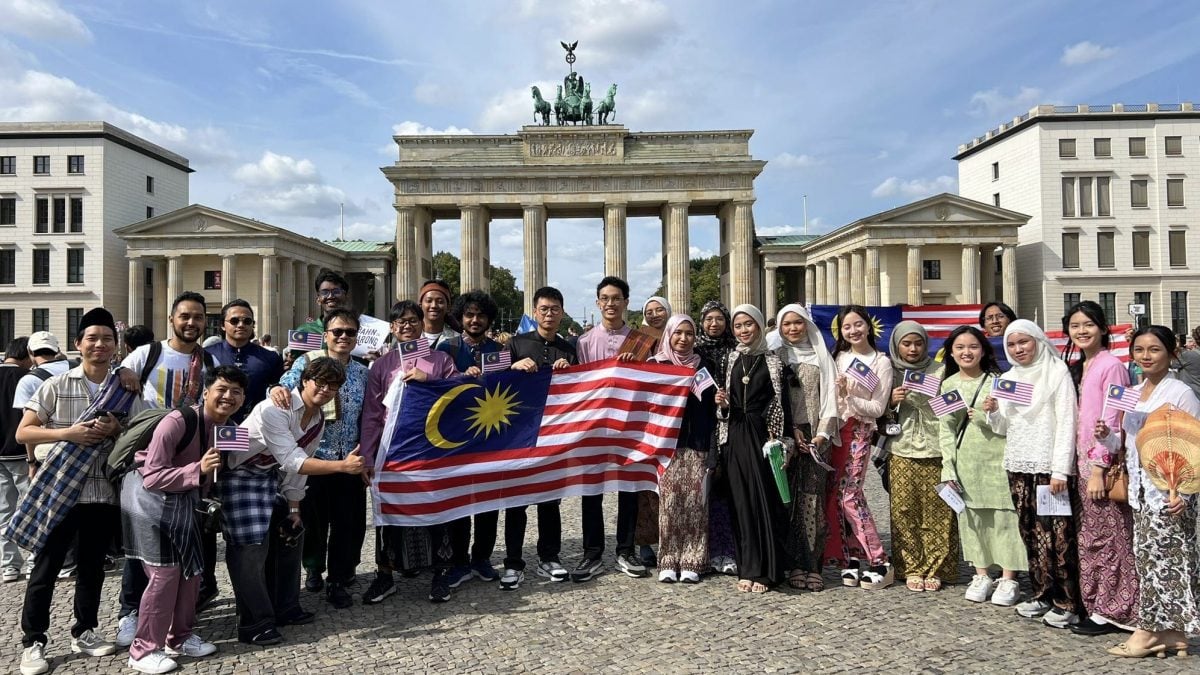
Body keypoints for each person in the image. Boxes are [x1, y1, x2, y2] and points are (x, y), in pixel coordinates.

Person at [10, 308, 144, 675]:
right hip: (60, 490)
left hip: (102, 491)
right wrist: (66, 433)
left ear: (116, 346)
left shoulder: (128, 388)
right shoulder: (56, 385)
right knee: (46, 566)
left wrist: (117, 428)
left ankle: (84, 630)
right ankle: (33, 641)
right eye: (92, 338)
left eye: (107, 339)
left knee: (92, 569)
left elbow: (140, 438)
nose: (99, 344)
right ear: (77, 344)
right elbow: (25, 432)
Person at [221, 357, 365, 646]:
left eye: (333, 385)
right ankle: (254, 623)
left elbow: (295, 470)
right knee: (251, 549)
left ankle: (286, 607)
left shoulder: (317, 418)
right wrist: (342, 467)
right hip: (239, 474)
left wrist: (295, 509)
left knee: (291, 537)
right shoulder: (274, 408)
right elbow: (293, 460)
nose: (325, 389)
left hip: (271, 476)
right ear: (305, 381)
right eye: (320, 382)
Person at [121, 366, 247, 673]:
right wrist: (198, 470)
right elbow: (151, 475)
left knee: (192, 572)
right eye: (222, 389)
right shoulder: (178, 421)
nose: (228, 397)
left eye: (236, 392)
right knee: (165, 574)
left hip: (185, 503)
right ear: (206, 392)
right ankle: (142, 651)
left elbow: (232, 467)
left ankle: (178, 638)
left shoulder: (230, 428)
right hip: (148, 502)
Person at [116, 291, 217, 647]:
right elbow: (121, 373)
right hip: (147, 463)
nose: (191, 323)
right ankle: (129, 615)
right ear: (171, 319)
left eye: (198, 317)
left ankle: (179, 627)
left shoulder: (207, 362)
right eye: (185, 316)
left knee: (181, 549)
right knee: (141, 547)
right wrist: (122, 370)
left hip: (188, 463)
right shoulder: (149, 353)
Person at [1098, 326, 1199, 659]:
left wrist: (1183, 494)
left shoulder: (1179, 392)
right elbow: (1126, 444)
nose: (1145, 356)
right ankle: (1172, 633)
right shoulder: (1132, 391)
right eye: (1139, 350)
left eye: (1154, 349)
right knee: (1152, 563)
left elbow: (1193, 445)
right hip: (1141, 492)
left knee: (1165, 563)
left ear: (1171, 354)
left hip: (1169, 493)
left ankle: (1148, 632)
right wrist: (1105, 437)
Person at [358, 301, 459, 605]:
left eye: (412, 321)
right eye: (399, 321)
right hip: (394, 448)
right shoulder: (382, 365)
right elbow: (373, 413)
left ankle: (442, 571)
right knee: (389, 509)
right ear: (392, 327)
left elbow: (461, 389)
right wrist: (367, 453)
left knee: (437, 509)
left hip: (432, 447)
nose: (406, 326)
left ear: (422, 323)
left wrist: (431, 380)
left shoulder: (440, 359)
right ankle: (385, 574)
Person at [984, 319, 1082, 628]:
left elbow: (1068, 422)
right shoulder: (1008, 378)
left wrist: (1060, 470)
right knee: (1030, 532)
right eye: (1011, 344)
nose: (1018, 349)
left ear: (1038, 341)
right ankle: (1041, 592)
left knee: (1058, 536)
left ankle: (1066, 600)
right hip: (1018, 465)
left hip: (1048, 468)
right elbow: (1002, 427)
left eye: (1024, 342)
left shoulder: (1056, 372)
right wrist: (993, 410)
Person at [275, 309, 368, 610]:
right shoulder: (306, 362)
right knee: (314, 523)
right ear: (326, 334)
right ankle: (314, 568)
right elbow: (285, 389)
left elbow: (372, 416)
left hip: (350, 460)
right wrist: (276, 389)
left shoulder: (364, 371)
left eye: (350, 332)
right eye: (337, 331)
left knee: (348, 524)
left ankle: (339, 580)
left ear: (356, 338)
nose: (343, 337)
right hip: (314, 458)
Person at [1061, 301, 1138, 636]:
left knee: (1110, 539)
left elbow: (1115, 420)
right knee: (1091, 537)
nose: (1082, 331)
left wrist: (1097, 468)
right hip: (1081, 464)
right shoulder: (1083, 364)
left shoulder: (1112, 366)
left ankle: (1117, 609)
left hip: (1102, 467)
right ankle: (1096, 604)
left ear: (1104, 328)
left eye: (1088, 325)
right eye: (1075, 326)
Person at [939, 326, 1026, 607]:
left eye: (973, 346)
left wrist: (992, 413)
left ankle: (1008, 575)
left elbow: (1019, 424)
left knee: (1004, 518)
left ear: (984, 350)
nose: (967, 352)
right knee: (973, 519)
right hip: (967, 460)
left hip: (998, 459)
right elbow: (946, 428)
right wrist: (948, 465)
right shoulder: (948, 384)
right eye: (960, 347)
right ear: (951, 352)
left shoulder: (1000, 382)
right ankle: (981, 573)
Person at [500, 287, 576, 589]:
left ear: (562, 312)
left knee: (549, 500)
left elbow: (579, 391)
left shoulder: (569, 349)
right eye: (544, 308)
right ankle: (514, 563)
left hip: (553, 433)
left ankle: (549, 557)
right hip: (519, 434)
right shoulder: (516, 344)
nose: (549, 314)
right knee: (516, 502)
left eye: (555, 308)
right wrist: (513, 367)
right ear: (535, 312)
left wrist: (570, 372)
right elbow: (495, 382)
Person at [573, 276, 647, 582]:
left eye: (616, 298)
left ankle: (625, 549)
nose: (610, 303)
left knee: (629, 489)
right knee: (591, 490)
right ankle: (592, 552)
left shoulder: (643, 341)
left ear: (626, 302)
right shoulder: (584, 342)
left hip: (629, 424)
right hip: (595, 425)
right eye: (604, 298)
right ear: (597, 302)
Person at [714, 305, 792, 593]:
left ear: (759, 326)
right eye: (738, 326)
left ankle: (767, 571)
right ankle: (747, 567)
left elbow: (782, 406)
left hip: (762, 437)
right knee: (740, 503)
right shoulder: (731, 358)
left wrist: (783, 442)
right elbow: (727, 404)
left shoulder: (774, 362)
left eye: (749, 324)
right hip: (734, 435)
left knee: (764, 502)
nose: (743, 330)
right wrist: (722, 405)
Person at [437, 291, 504, 587]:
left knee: (489, 501)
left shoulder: (499, 349)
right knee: (459, 501)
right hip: (457, 435)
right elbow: (436, 384)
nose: (475, 320)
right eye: (469, 315)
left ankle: (482, 558)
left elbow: (508, 386)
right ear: (461, 317)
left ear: (489, 319)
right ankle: (459, 560)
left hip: (491, 434)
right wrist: (461, 377)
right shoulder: (447, 347)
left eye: (481, 315)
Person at [887, 321, 959, 592]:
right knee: (904, 510)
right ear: (897, 345)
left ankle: (937, 566)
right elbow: (876, 413)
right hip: (901, 447)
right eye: (907, 343)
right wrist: (892, 401)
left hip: (935, 448)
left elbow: (954, 409)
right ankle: (911, 566)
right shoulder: (890, 371)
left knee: (938, 511)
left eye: (918, 343)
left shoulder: (940, 369)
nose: (913, 348)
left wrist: (929, 401)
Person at [825, 305, 893, 590]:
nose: (853, 331)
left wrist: (850, 395)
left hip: (860, 430)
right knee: (836, 495)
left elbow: (878, 407)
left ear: (868, 326)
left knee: (851, 494)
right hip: (836, 432)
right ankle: (850, 555)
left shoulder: (881, 362)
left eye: (857, 324)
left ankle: (879, 560)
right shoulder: (839, 357)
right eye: (846, 327)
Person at [774, 304, 838, 592]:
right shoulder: (775, 356)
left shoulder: (822, 357)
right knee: (786, 501)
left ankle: (812, 564)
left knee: (811, 502)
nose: (792, 329)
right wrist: (789, 433)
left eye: (797, 323)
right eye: (786, 324)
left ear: (807, 325)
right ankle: (790, 562)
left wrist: (822, 435)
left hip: (815, 436)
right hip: (786, 436)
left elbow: (831, 399)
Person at [653, 314, 717, 584]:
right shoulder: (656, 366)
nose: (683, 338)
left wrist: (721, 400)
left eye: (689, 333)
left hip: (698, 443)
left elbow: (714, 408)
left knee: (695, 503)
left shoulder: (706, 365)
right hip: (668, 444)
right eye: (678, 333)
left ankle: (693, 558)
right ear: (669, 334)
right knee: (669, 504)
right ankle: (668, 558)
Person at [696, 301, 738, 575]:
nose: (714, 324)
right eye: (709, 319)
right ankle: (708, 549)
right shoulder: (695, 353)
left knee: (731, 488)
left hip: (734, 425)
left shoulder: (737, 350)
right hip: (705, 427)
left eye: (719, 318)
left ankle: (731, 548)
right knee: (708, 488)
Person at [635, 295, 671, 568]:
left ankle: (674, 538)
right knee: (645, 485)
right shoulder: (638, 338)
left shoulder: (681, 335)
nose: (656, 314)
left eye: (660, 309)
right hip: (645, 422)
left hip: (676, 422)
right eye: (650, 310)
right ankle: (645, 541)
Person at [206, 300, 284, 424]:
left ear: (252, 325)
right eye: (234, 321)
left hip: (256, 426)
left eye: (247, 321)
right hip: (213, 424)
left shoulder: (270, 357)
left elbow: (278, 387)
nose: (241, 325)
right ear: (222, 325)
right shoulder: (207, 355)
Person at [0, 337, 32, 583]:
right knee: (31, 508)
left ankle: (10, 565)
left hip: (0, 455)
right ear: (26, 356)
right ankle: (34, 560)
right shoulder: (26, 379)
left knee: (4, 511)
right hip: (22, 452)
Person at [291, 271, 354, 363]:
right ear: (318, 299)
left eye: (336, 292)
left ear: (346, 296)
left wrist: (375, 360)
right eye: (325, 292)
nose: (330, 296)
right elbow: (295, 366)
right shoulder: (304, 331)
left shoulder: (357, 331)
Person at [11, 332, 74, 411]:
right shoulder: (79, 368)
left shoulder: (28, 380)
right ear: (57, 350)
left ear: (30, 351)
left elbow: (26, 417)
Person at [419, 280, 459, 349]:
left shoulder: (457, 340)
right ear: (420, 305)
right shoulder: (409, 337)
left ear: (448, 307)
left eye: (440, 302)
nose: (434, 306)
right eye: (429, 301)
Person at [1172, 325, 1200, 400]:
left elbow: (1170, 363)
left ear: (1195, 340)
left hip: (1193, 396)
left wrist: (1176, 347)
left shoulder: (1189, 355)